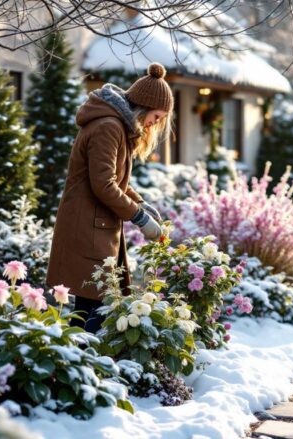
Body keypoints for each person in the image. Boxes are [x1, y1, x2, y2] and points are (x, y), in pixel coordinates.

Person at [46, 62, 173, 333]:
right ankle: (81, 365)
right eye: (157, 116)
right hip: (88, 228)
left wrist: (140, 203)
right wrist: (139, 218)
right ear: (144, 105)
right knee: (93, 309)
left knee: (94, 306)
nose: (155, 123)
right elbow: (103, 184)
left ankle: (81, 364)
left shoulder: (116, 125)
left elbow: (114, 181)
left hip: (97, 226)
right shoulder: (109, 127)